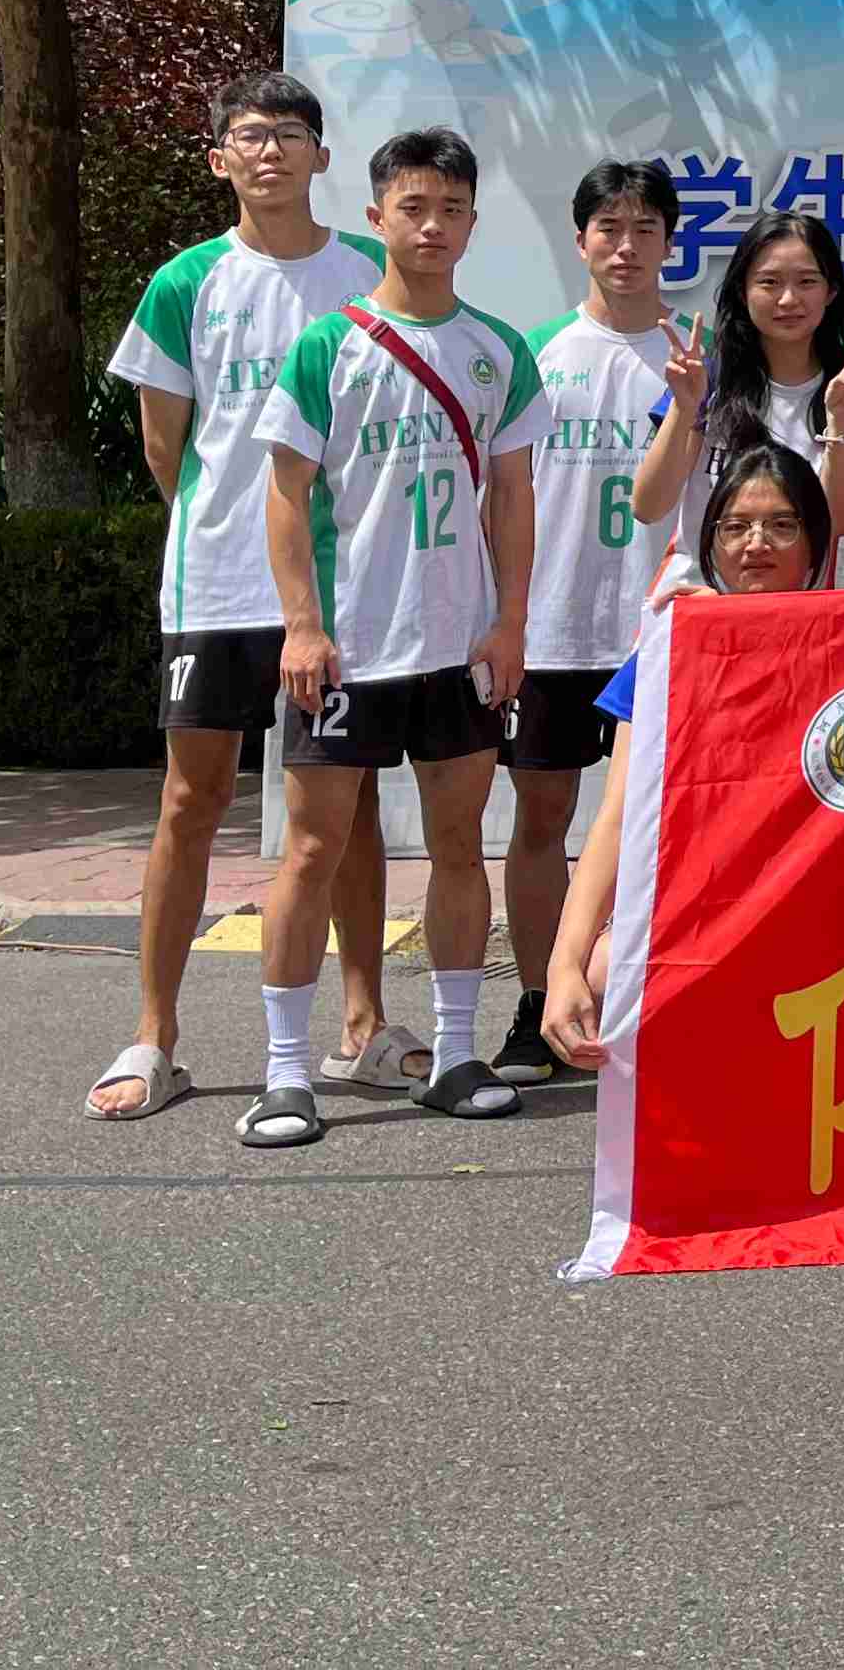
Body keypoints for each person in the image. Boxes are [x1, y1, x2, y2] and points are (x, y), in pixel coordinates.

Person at [87, 71, 402, 1121]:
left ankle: (364, 1025)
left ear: (323, 156)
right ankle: (154, 1037)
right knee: (192, 800)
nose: (270, 151)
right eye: (250, 136)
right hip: (217, 584)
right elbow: (165, 449)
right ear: (220, 158)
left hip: (342, 587)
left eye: (290, 134)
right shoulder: (186, 282)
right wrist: (229, 526)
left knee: (348, 809)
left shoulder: (368, 275)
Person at [240, 127, 548, 1151]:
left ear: (472, 223)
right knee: (313, 849)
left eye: (451, 210)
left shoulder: (498, 350)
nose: (431, 226)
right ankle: (288, 1073)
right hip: (347, 649)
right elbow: (286, 497)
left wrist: (510, 621)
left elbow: (513, 495)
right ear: (377, 217)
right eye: (413, 208)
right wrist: (301, 624)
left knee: (459, 846)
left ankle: (455, 1053)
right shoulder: (328, 346)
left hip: (457, 648)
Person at [496, 159, 702, 1084]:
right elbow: (503, 496)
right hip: (553, 627)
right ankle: (538, 999)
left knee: (660, 831)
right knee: (542, 818)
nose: (627, 247)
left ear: (670, 242)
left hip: (661, 629)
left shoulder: (696, 356)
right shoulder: (536, 354)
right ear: (580, 239)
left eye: (645, 229)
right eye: (609, 229)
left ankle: (640, 999)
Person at [539, 444, 834, 1071]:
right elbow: (617, 817)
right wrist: (563, 964)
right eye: (736, 526)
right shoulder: (669, 650)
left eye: (782, 525)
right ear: (711, 544)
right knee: (605, 972)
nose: (757, 544)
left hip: (812, 903)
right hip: (700, 902)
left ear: (816, 545)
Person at [699, 208, 844, 548]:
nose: (788, 299)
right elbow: (648, 506)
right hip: (705, 580)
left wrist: (840, 421)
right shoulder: (708, 376)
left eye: (807, 282)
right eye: (769, 282)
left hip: (808, 583)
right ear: (742, 290)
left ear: (831, 291)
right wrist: (683, 408)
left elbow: (839, 523)